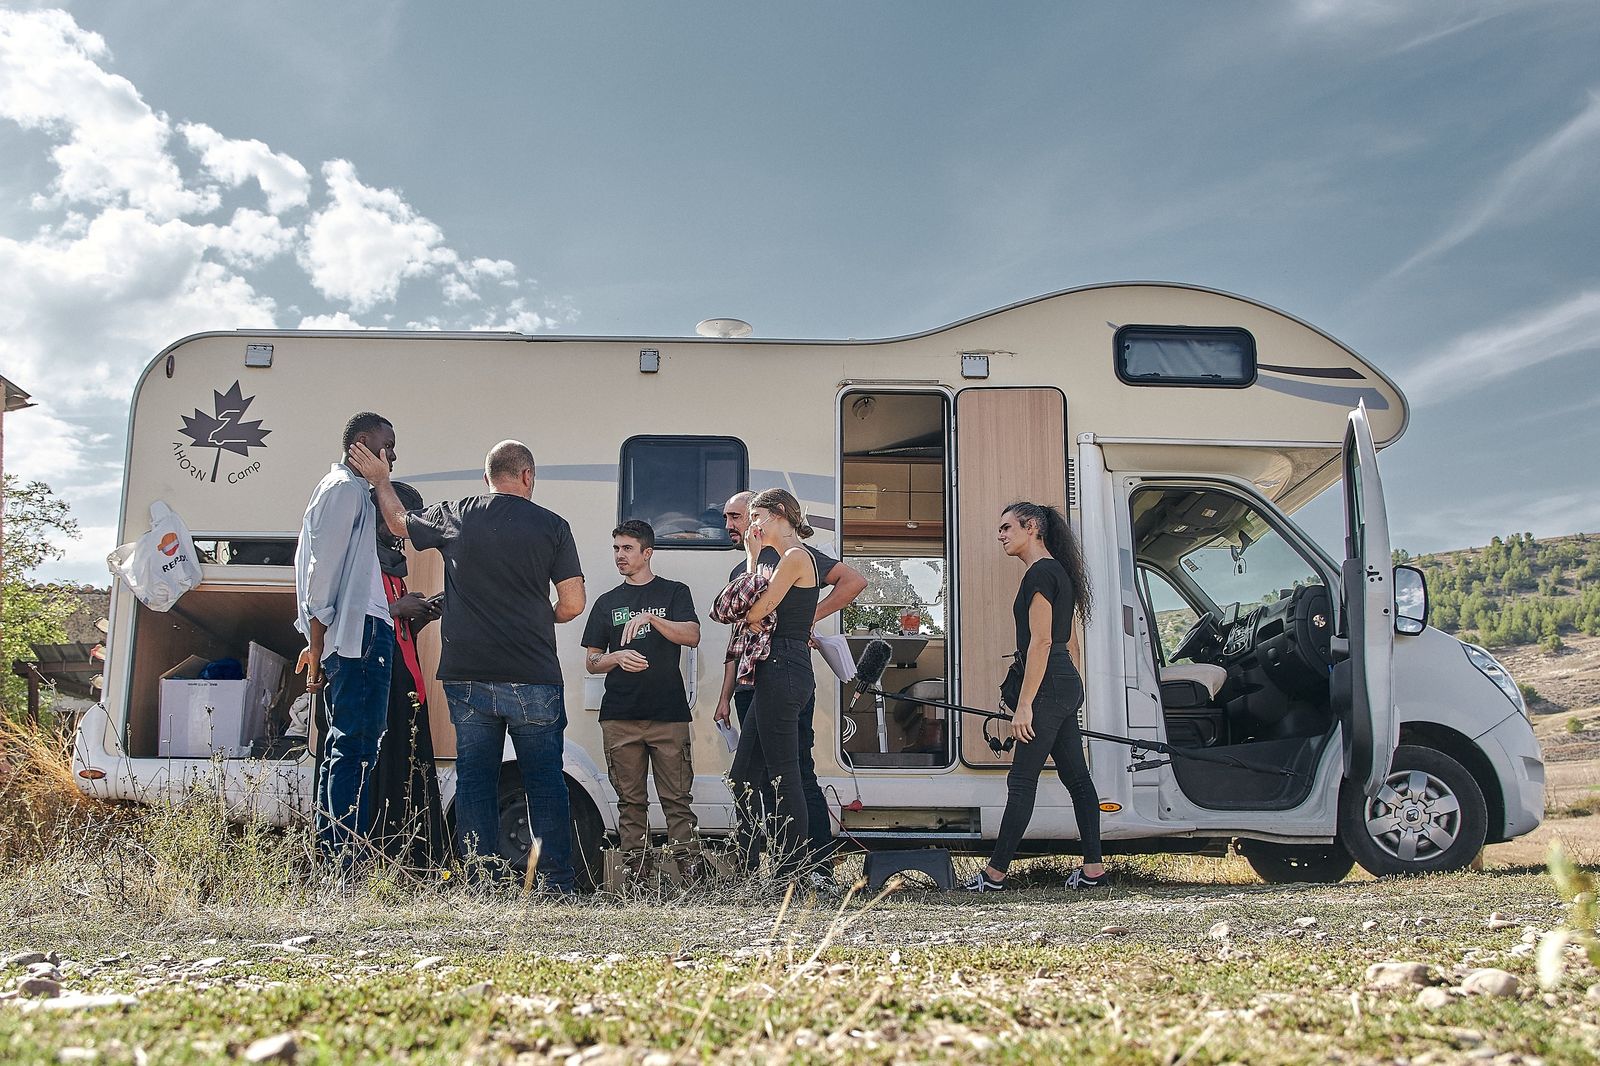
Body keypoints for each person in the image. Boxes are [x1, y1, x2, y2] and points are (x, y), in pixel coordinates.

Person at [351, 438, 586, 892]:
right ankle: (557, 881)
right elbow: (573, 603)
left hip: (468, 674)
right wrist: (542, 616)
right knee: (544, 782)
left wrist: (381, 480)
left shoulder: (457, 512)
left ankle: (482, 880)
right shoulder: (554, 525)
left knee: (475, 778)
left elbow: (399, 524)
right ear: (527, 477)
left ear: (486, 479)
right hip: (533, 675)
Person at [713, 490, 866, 878]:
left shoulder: (796, 556)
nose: (752, 525)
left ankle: (793, 869)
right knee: (744, 774)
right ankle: (753, 867)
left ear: (779, 514)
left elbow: (755, 611)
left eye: (757, 516)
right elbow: (728, 611)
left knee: (786, 772)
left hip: (783, 665)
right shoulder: (786, 559)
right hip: (772, 668)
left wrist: (772, 606)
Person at [965, 501, 1104, 892]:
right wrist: (1071, 690)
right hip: (1062, 681)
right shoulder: (1056, 571)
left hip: (1048, 684)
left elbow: (1042, 642)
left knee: (1022, 779)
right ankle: (1093, 870)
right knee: (1077, 777)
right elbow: (1070, 642)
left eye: (1007, 527)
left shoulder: (1040, 574)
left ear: (1032, 528)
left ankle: (993, 876)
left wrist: (1025, 706)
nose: (1000, 535)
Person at [295, 412, 398, 860]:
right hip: (359, 633)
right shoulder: (343, 490)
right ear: (361, 443)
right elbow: (323, 575)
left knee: (347, 742)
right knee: (355, 744)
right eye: (386, 445)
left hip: (355, 631)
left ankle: (332, 854)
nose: (392, 455)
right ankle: (343, 859)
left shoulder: (349, 490)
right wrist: (316, 647)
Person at [582, 520, 704, 885]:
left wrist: (651, 618)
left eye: (627, 549)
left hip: (668, 714)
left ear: (647, 552)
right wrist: (616, 657)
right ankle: (635, 881)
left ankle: (691, 880)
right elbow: (591, 660)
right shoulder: (607, 603)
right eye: (616, 548)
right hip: (620, 716)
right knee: (630, 803)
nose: (620, 555)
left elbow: (693, 635)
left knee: (677, 801)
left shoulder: (674, 593)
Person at [369, 480, 450, 870]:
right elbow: (352, 624)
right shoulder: (362, 567)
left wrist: (417, 617)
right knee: (384, 775)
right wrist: (398, 608)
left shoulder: (392, 567)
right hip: (380, 689)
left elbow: (397, 633)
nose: (407, 527)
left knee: (411, 776)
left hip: (408, 687)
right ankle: (379, 861)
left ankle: (414, 862)